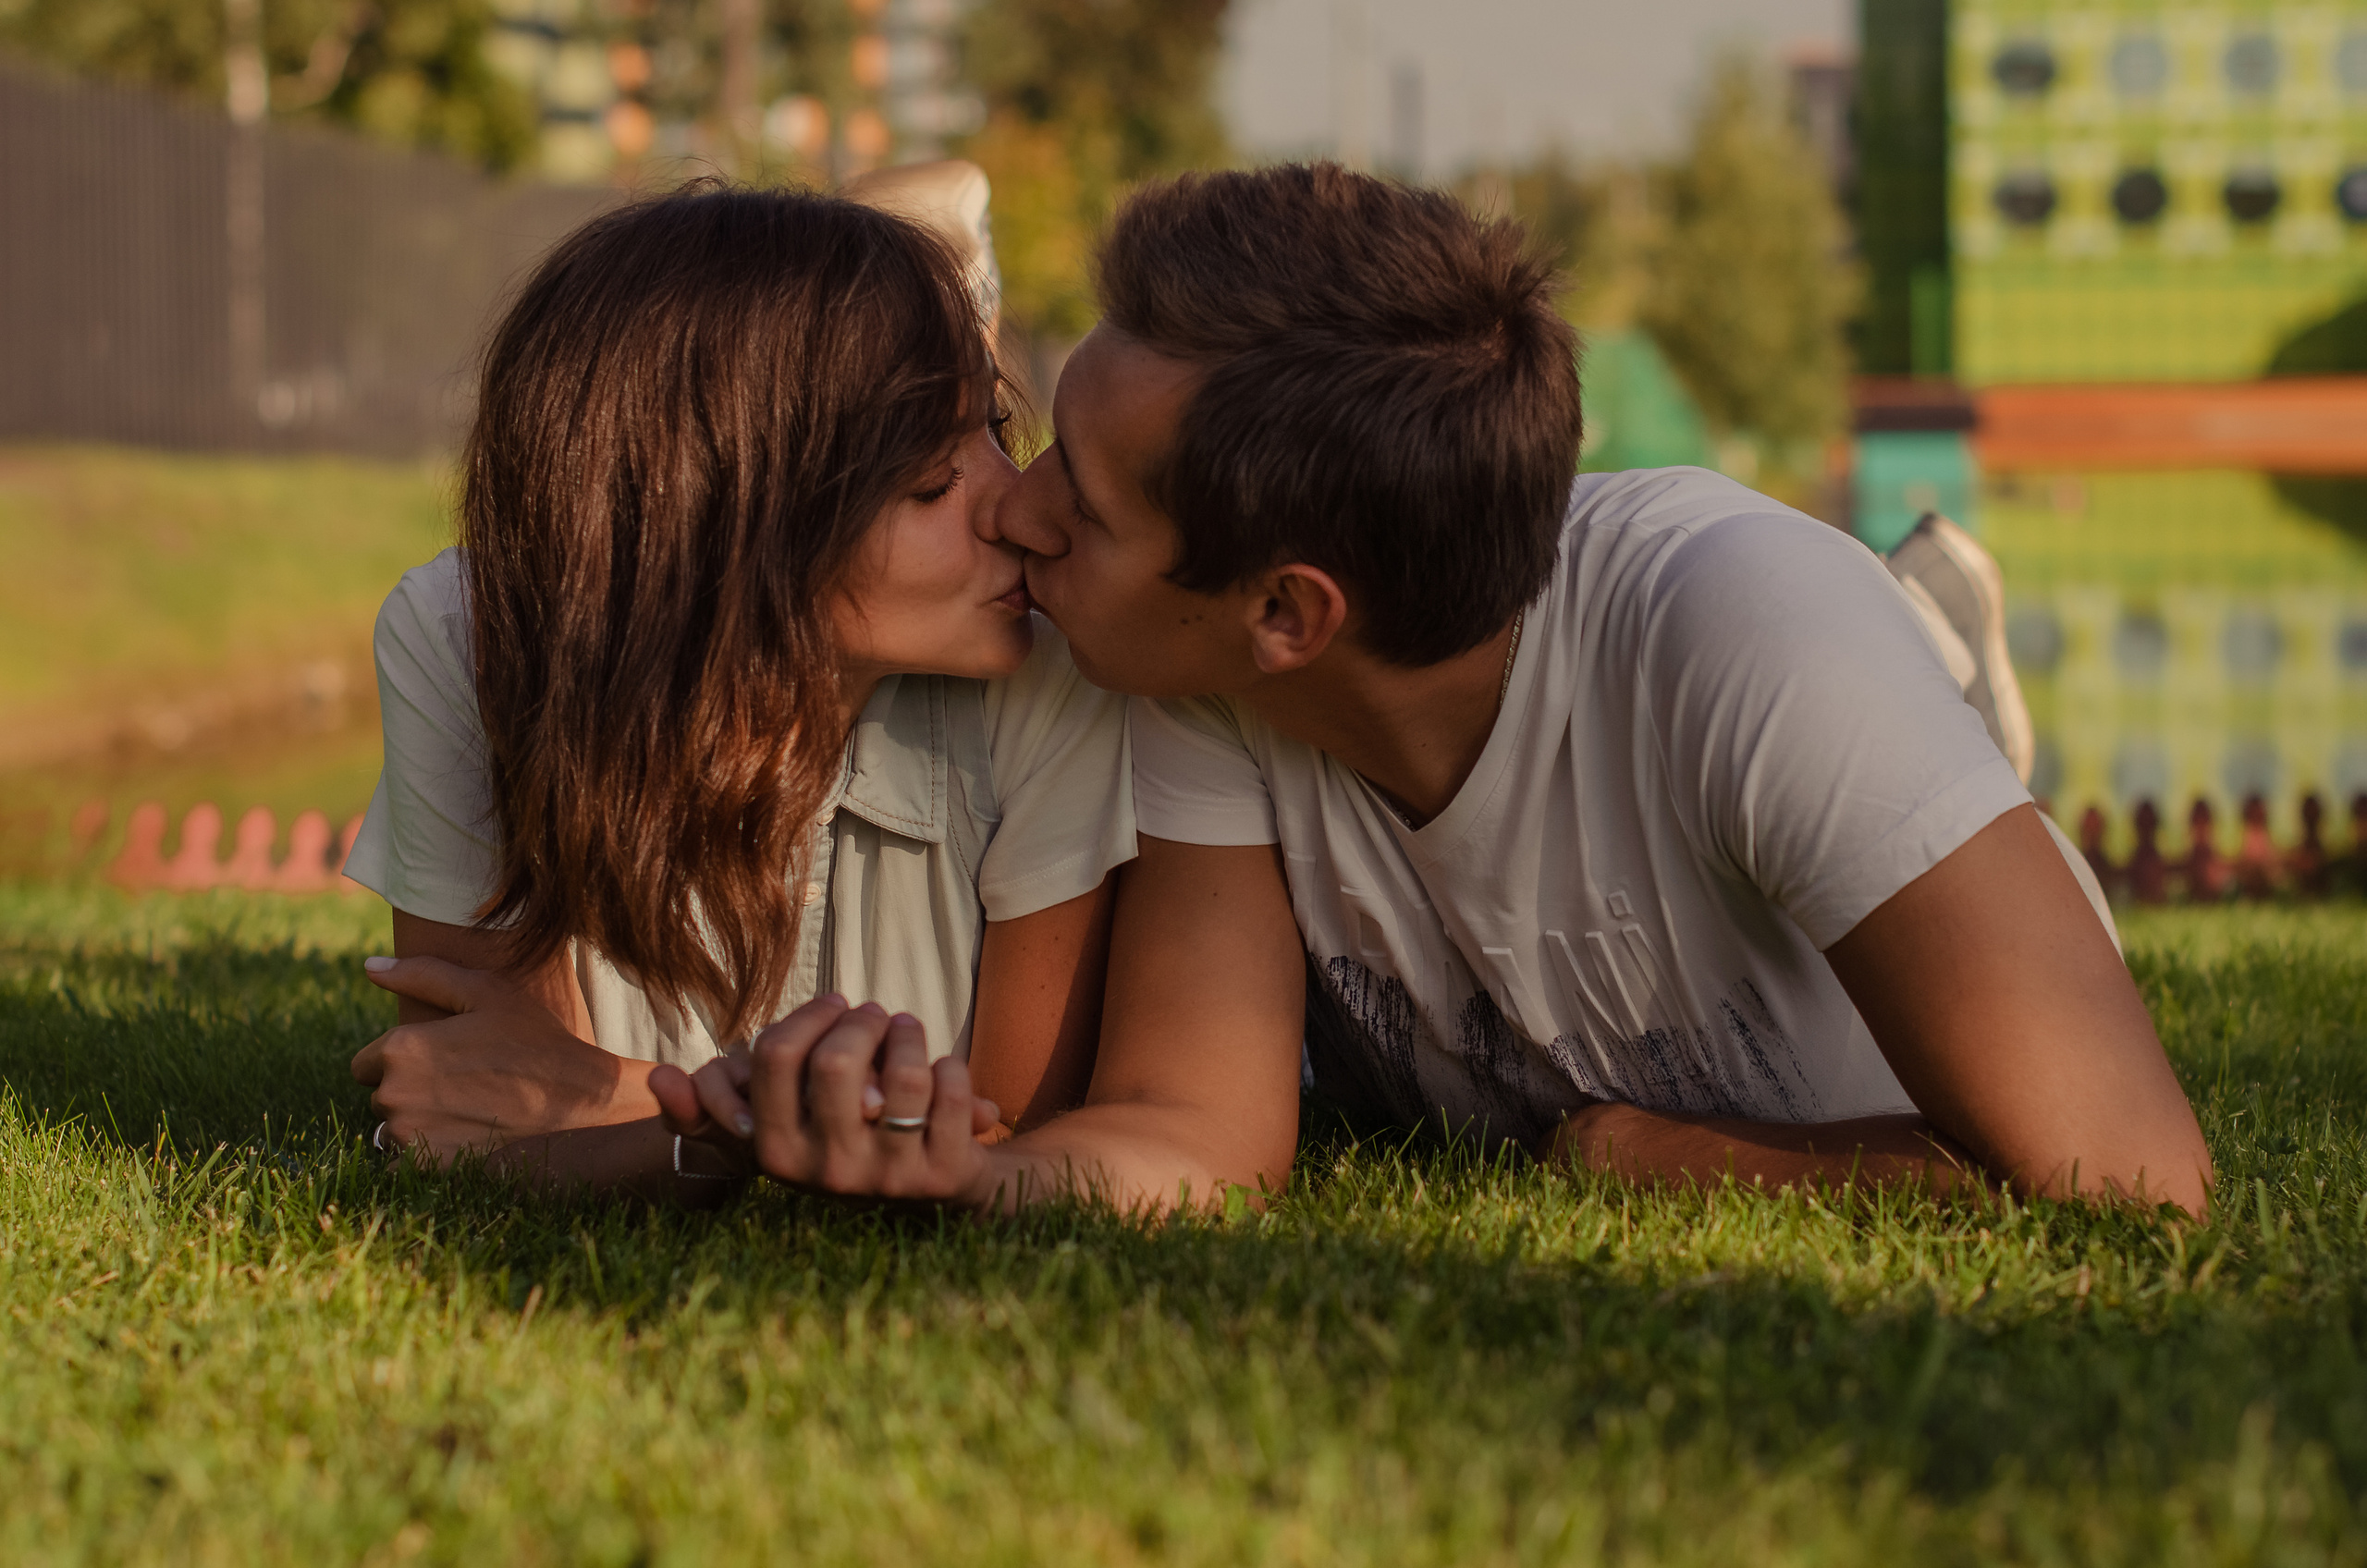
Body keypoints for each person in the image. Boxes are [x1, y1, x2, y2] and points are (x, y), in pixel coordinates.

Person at [661, 163, 2214, 1218]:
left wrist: (1656, 1152)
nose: (1017, 506)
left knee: (1841, 670)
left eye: (1091, 497)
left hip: (1812, 694)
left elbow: (2138, 1184)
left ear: (1288, 610)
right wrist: (951, 1176)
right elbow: (1199, 1133)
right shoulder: (1198, 678)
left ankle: (1929, 654)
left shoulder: (1747, 641)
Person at [344, 179, 1135, 1200]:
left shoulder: (1050, 660)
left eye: (995, 429)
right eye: (932, 484)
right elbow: (471, 1115)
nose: (1018, 507)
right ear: (729, 520)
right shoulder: (473, 636)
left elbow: (1001, 1133)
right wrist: (745, 1131)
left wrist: (612, 1097)